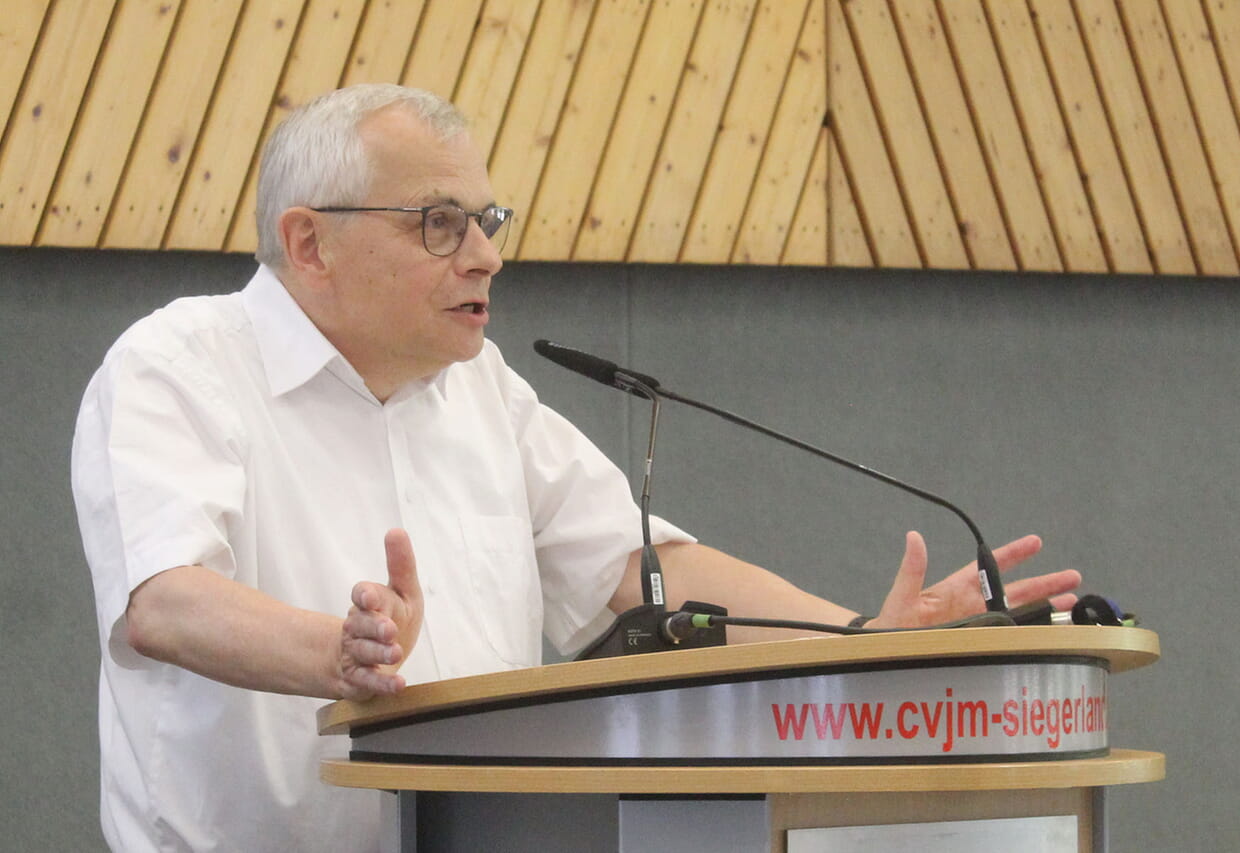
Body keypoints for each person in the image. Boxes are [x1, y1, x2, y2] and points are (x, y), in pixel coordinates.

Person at [71, 84, 1080, 853]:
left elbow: (644, 572)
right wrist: (334, 652)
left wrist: (856, 643)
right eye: (437, 224)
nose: (483, 257)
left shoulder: (480, 390)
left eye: (485, 222)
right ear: (309, 243)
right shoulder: (180, 366)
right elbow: (164, 599)